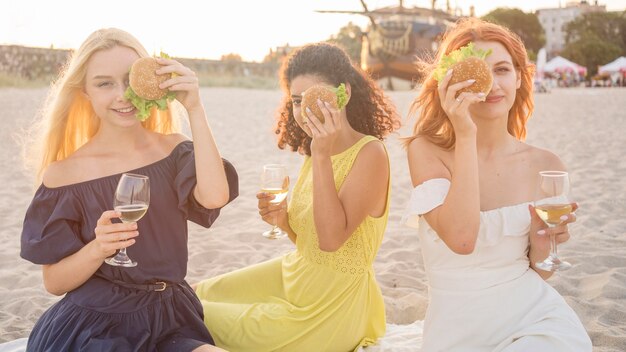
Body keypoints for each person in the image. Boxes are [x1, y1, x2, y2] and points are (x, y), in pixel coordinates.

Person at [19, 28, 238, 352]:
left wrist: (195, 108)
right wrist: (98, 248)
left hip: (170, 316)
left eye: (129, 80)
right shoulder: (64, 175)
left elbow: (214, 197)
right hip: (97, 325)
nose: (122, 94)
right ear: (85, 93)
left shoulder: (174, 150)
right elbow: (54, 282)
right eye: (104, 83)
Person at [194, 42, 400, 351]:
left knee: (192, 313)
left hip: (329, 308)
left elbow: (331, 242)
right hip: (296, 273)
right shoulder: (314, 151)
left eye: (314, 98)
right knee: (192, 294)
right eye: (297, 101)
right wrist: (284, 221)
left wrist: (321, 155)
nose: (303, 112)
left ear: (343, 92)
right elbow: (310, 243)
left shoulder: (369, 153)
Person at [403, 18, 592, 351]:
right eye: (477, 70)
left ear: (520, 78)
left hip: (535, 318)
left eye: (502, 69)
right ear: (450, 81)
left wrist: (548, 239)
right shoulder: (426, 150)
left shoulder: (546, 165)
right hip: (456, 330)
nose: (491, 83)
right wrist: (464, 133)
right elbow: (462, 239)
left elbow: (540, 270)